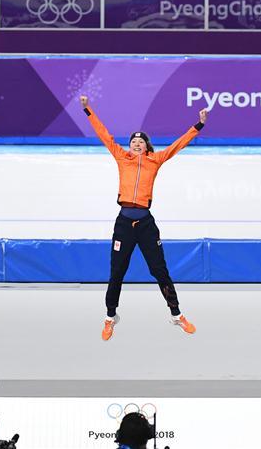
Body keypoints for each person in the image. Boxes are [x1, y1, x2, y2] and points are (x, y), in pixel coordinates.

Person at [79, 95, 206, 341]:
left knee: (160, 271)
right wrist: (87, 109)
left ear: (147, 146)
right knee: (117, 272)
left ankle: (177, 315)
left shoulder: (155, 160)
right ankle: (109, 317)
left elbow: (177, 145)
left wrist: (198, 125)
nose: (136, 143)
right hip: (124, 224)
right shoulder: (121, 157)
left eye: (140, 141)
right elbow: (104, 134)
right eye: (133, 141)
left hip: (146, 225)